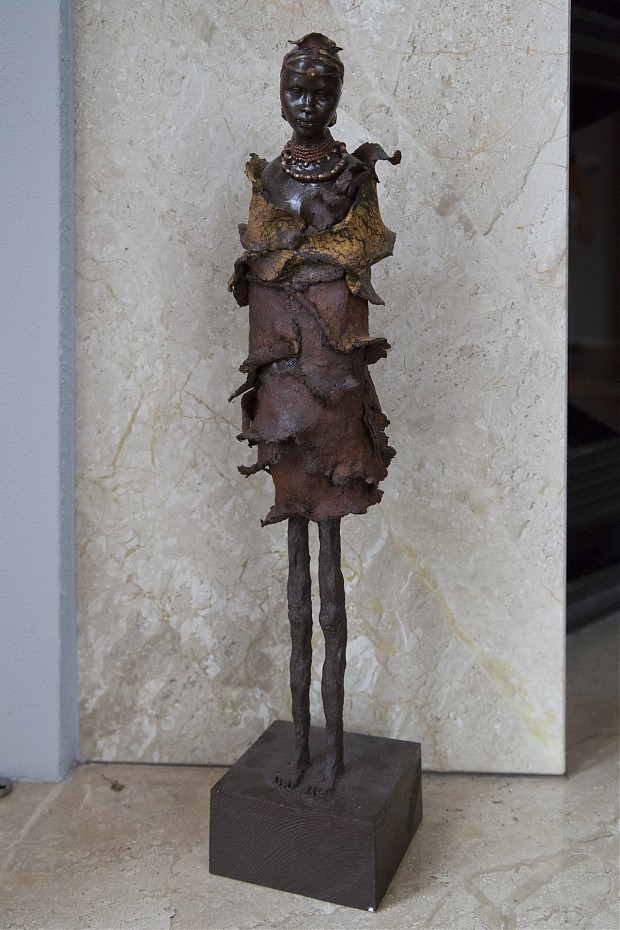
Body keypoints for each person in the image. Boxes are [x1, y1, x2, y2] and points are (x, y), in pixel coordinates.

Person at [229, 33, 400, 795]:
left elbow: (355, 255)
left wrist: (296, 262)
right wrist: (306, 262)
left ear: (336, 97)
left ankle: (330, 758)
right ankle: (300, 748)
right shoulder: (267, 176)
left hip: (333, 385)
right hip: (281, 387)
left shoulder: (355, 176)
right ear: (279, 93)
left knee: (330, 571)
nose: (306, 103)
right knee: (297, 572)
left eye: (320, 91)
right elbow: (261, 263)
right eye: (294, 89)